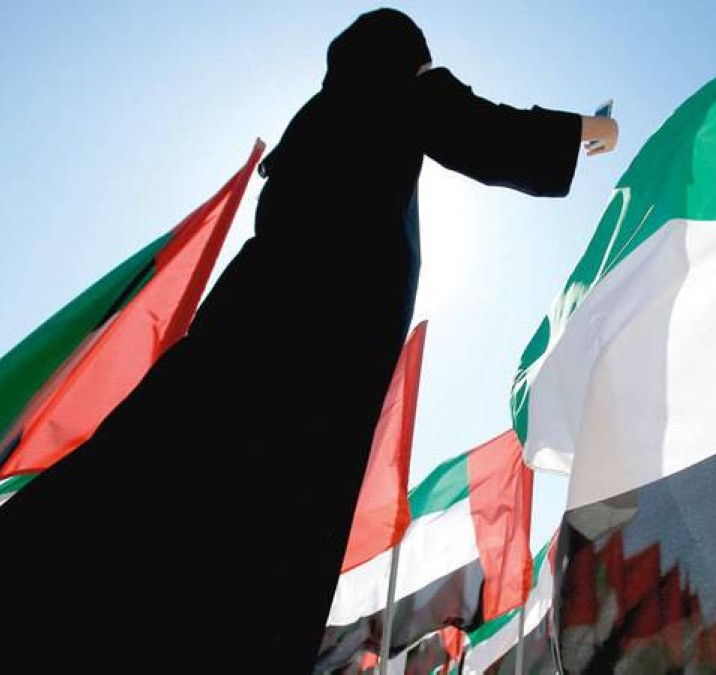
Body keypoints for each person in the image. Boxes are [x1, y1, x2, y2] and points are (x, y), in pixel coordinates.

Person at [0, 8, 617, 671]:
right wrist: (590, 128)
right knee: (269, 524)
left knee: (157, 469)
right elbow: (484, 133)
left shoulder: (319, 116)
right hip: (321, 347)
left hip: (247, 320)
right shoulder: (404, 93)